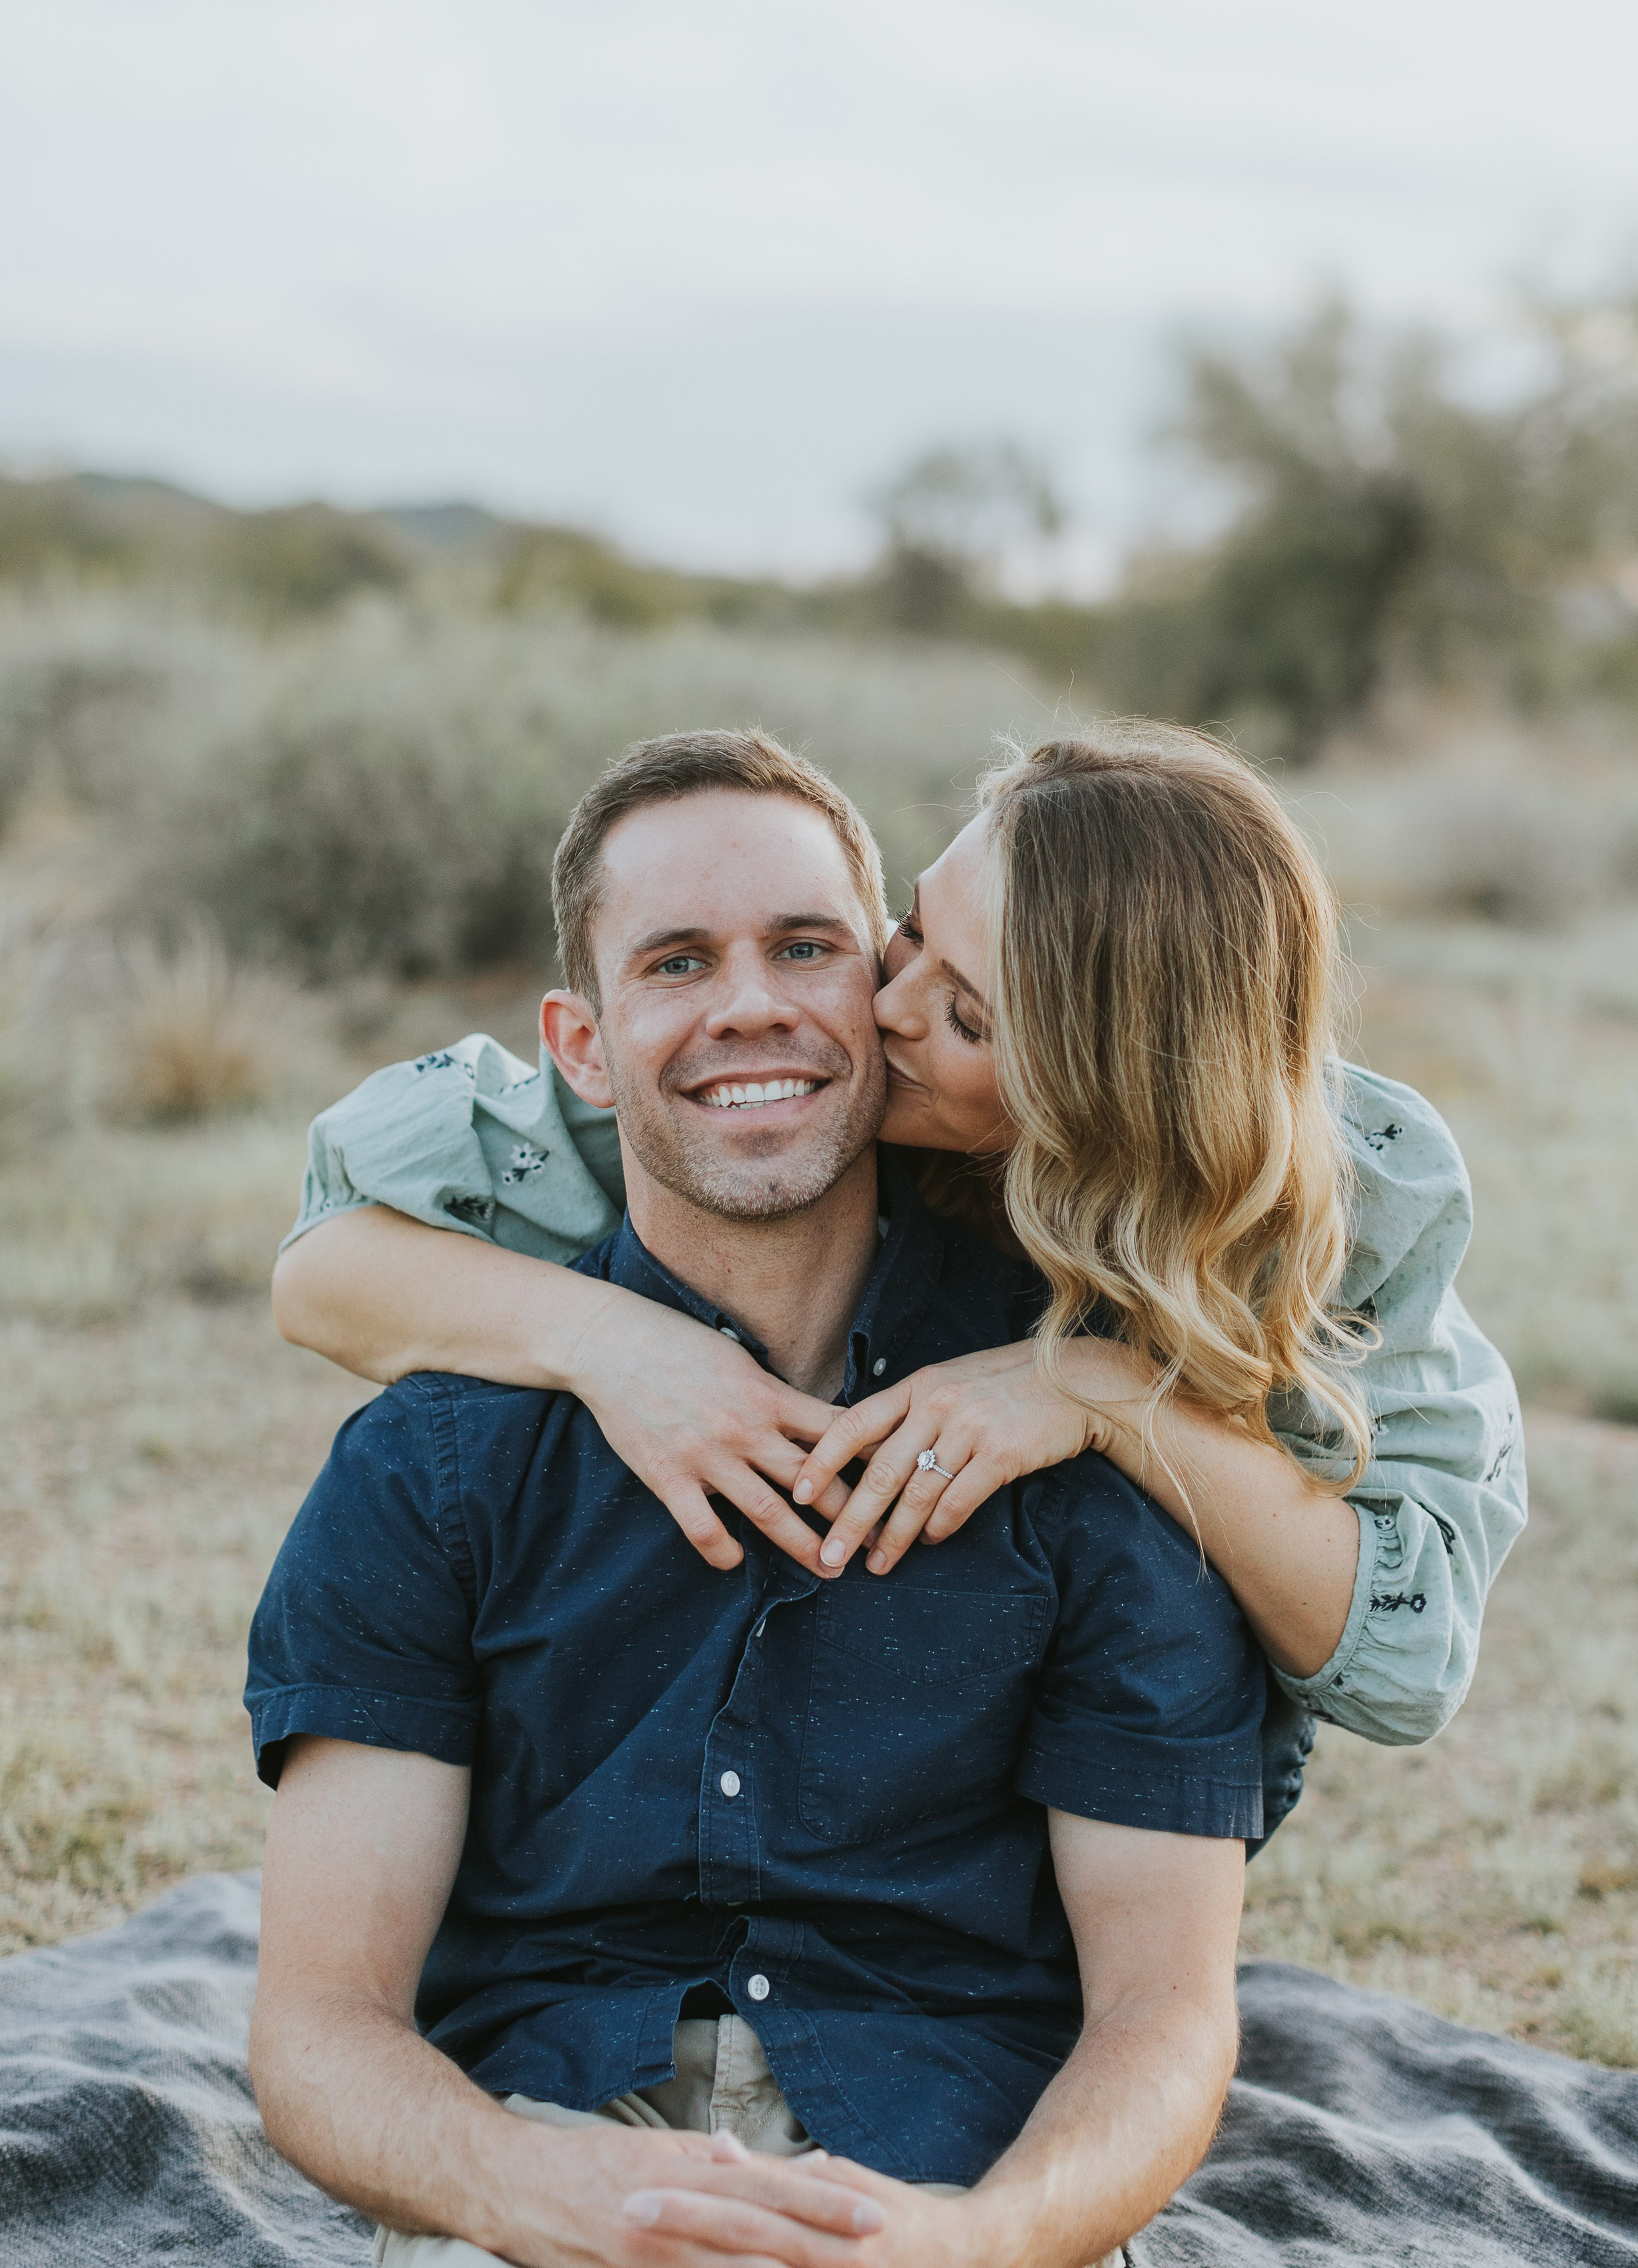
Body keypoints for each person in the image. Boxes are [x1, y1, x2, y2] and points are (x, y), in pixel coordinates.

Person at [246, 734, 1266, 2268]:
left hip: (951, 2171)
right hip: (550, 2159)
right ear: (580, 1049)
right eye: (675, 962)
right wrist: (526, 2196)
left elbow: (1164, 2019)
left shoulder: (1091, 1439)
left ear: (897, 991)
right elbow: (321, 2023)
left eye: (806, 948)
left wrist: (979, 2243)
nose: (750, 1006)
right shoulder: (435, 1467)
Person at [273, 720, 1525, 1840]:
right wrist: (617, 1344)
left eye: (970, 1017)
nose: (886, 1009)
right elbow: (324, 1267)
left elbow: (1405, 1660)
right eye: (912, 932)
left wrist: (1099, 1391)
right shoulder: (762, 1078)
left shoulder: (1332, 1193)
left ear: (1097, 1092)